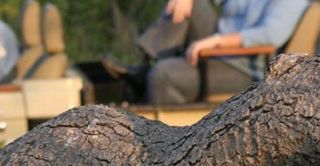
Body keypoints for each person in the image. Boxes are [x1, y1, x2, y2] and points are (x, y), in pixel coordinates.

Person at [109, 0, 308, 104]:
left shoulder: (292, 1)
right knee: (189, 2)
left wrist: (216, 42)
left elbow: (269, 36)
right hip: (217, 49)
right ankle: (146, 66)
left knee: (164, 75)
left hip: (244, 68)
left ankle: (151, 80)